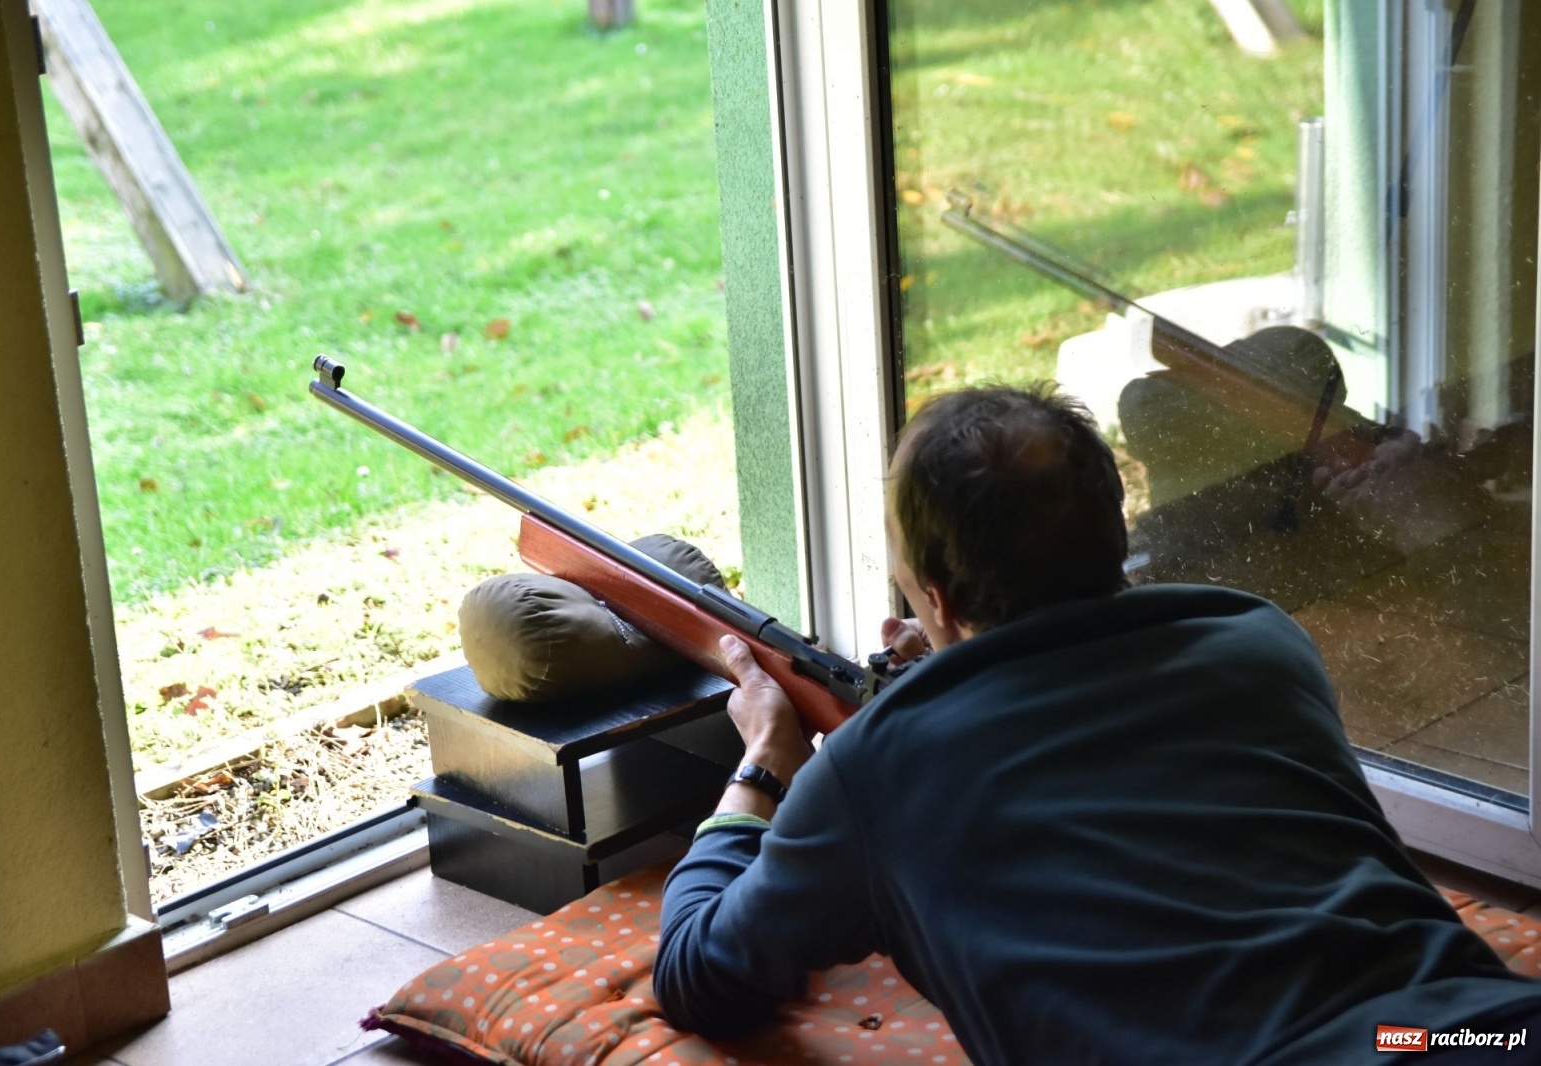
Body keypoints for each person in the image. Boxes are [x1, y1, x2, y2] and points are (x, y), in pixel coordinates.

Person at [653, 383, 1541, 1064]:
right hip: (1472, 1033)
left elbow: (700, 977)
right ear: (1116, 531)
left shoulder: (873, 771)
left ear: (941, 600)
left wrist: (766, 761)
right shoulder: (1256, 640)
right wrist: (964, 663)